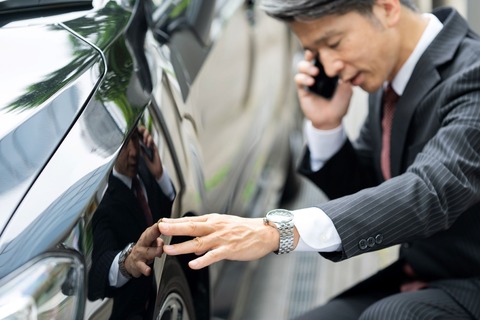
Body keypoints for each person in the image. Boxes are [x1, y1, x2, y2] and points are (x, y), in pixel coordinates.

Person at [157, 0, 480, 319]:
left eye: (334, 43)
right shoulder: (388, 74)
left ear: (386, 8)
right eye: (315, 52)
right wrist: (326, 126)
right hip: (420, 280)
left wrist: (275, 232)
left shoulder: (473, 77)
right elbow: (368, 193)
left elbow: (429, 192)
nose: (331, 65)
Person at [88, 125, 175, 319]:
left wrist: (160, 175)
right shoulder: (106, 208)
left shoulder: (145, 171)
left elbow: (170, 215)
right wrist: (127, 262)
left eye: (135, 139)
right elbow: (96, 277)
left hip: (165, 292)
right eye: (124, 144)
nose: (134, 152)